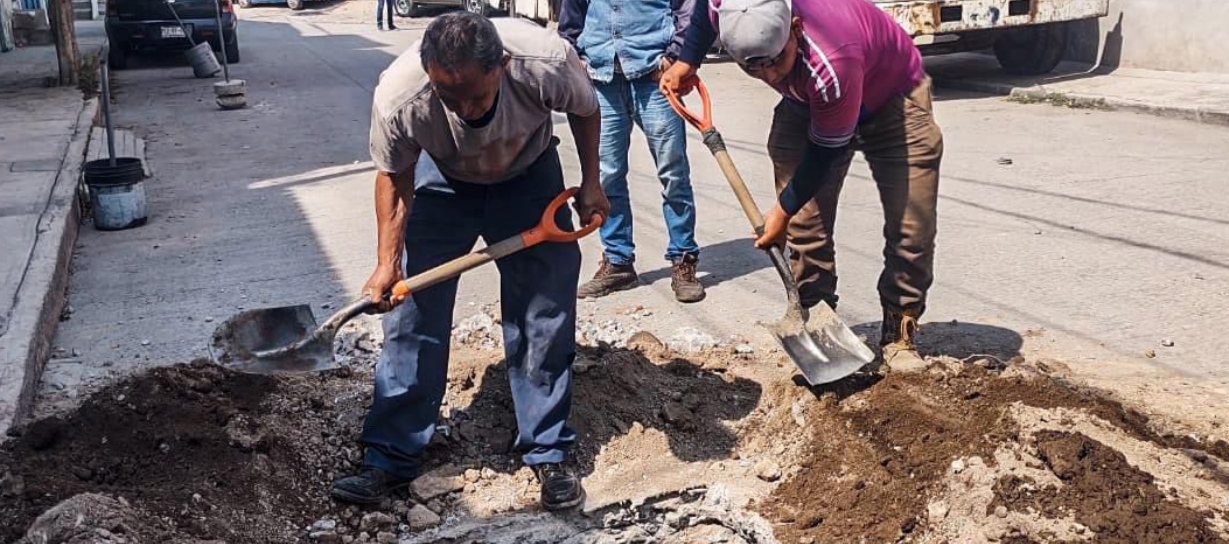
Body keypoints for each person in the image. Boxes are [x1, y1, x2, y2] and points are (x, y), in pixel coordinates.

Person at [331, 12, 609, 510]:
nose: (463, 108)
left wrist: (591, 183)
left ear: (501, 65)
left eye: (475, 96)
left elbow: (587, 112)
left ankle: (546, 450)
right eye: (448, 96)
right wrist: (386, 262)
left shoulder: (543, 60)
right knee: (412, 313)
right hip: (442, 186)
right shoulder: (400, 95)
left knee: (542, 312)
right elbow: (394, 179)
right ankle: (390, 456)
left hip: (529, 179)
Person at [661, 0, 943, 370]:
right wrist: (688, 59)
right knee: (806, 228)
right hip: (806, 102)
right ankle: (816, 318)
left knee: (912, 227)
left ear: (795, 29)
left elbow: (824, 153)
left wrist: (780, 212)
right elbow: (703, 12)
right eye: (752, 66)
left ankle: (900, 331)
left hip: (891, 97)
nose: (769, 76)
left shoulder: (832, 58)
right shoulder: (729, 5)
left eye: (775, 61)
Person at [559, 0, 705, 303]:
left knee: (672, 172)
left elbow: (690, 10)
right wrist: (575, 56)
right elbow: (571, 16)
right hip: (602, 79)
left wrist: (676, 57)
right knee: (607, 175)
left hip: (654, 78)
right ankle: (618, 261)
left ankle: (683, 258)